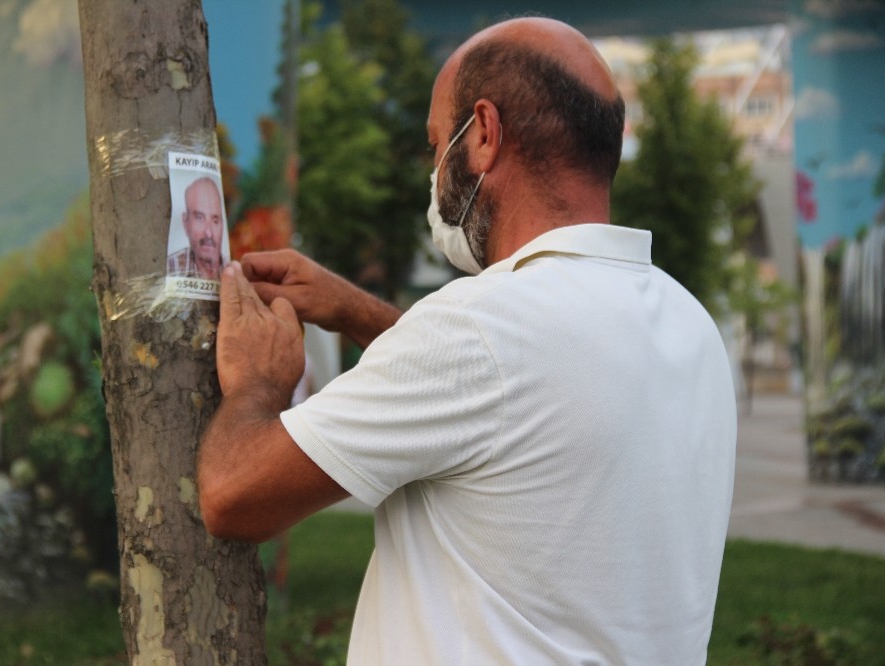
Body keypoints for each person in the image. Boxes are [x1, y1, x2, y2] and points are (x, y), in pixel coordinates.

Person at [198, 16, 737, 665]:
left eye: (436, 144)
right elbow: (518, 401)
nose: (435, 171)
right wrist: (359, 313)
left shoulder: (482, 328)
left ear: (482, 134)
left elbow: (233, 498)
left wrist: (258, 381)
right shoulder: (686, 322)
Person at [167, 176, 224, 279]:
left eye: (215, 221)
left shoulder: (233, 270)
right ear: (185, 223)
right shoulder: (169, 269)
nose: (209, 233)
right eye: (199, 218)